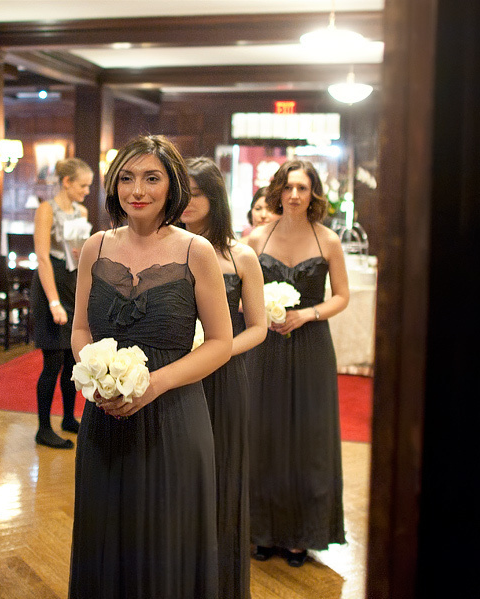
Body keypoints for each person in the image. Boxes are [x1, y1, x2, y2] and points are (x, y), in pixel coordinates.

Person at [69, 135, 234, 597]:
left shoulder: (195, 251)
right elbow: (80, 329)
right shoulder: (95, 247)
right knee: (106, 536)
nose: (136, 189)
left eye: (151, 178)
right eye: (126, 178)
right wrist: (98, 379)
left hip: (174, 417)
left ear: (172, 186)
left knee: (167, 541)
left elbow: (221, 343)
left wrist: (153, 384)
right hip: (105, 415)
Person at [244, 159, 350, 567]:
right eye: (288, 187)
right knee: (263, 432)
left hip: (310, 345)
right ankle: (261, 529)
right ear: (277, 191)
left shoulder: (328, 241)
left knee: (308, 437)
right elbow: (241, 295)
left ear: (313, 194)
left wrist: (306, 314)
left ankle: (301, 535)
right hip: (267, 345)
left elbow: (341, 296)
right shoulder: (256, 239)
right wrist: (263, 312)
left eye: (302, 188)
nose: (294, 195)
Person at [182, 157, 267, 599]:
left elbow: (258, 326)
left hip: (223, 377)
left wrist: (217, 350)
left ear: (214, 197)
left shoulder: (240, 254)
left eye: (196, 192)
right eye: (183, 191)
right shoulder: (165, 247)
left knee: (221, 474)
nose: (187, 201)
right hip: (172, 377)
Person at [30, 158, 93, 449]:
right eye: (83, 185)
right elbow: (43, 257)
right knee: (53, 361)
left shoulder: (81, 211)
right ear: (66, 182)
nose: (87, 191)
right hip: (50, 283)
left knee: (72, 360)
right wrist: (54, 302)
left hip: (72, 281)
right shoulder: (46, 209)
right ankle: (43, 428)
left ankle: (69, 418)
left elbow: (79, 254)